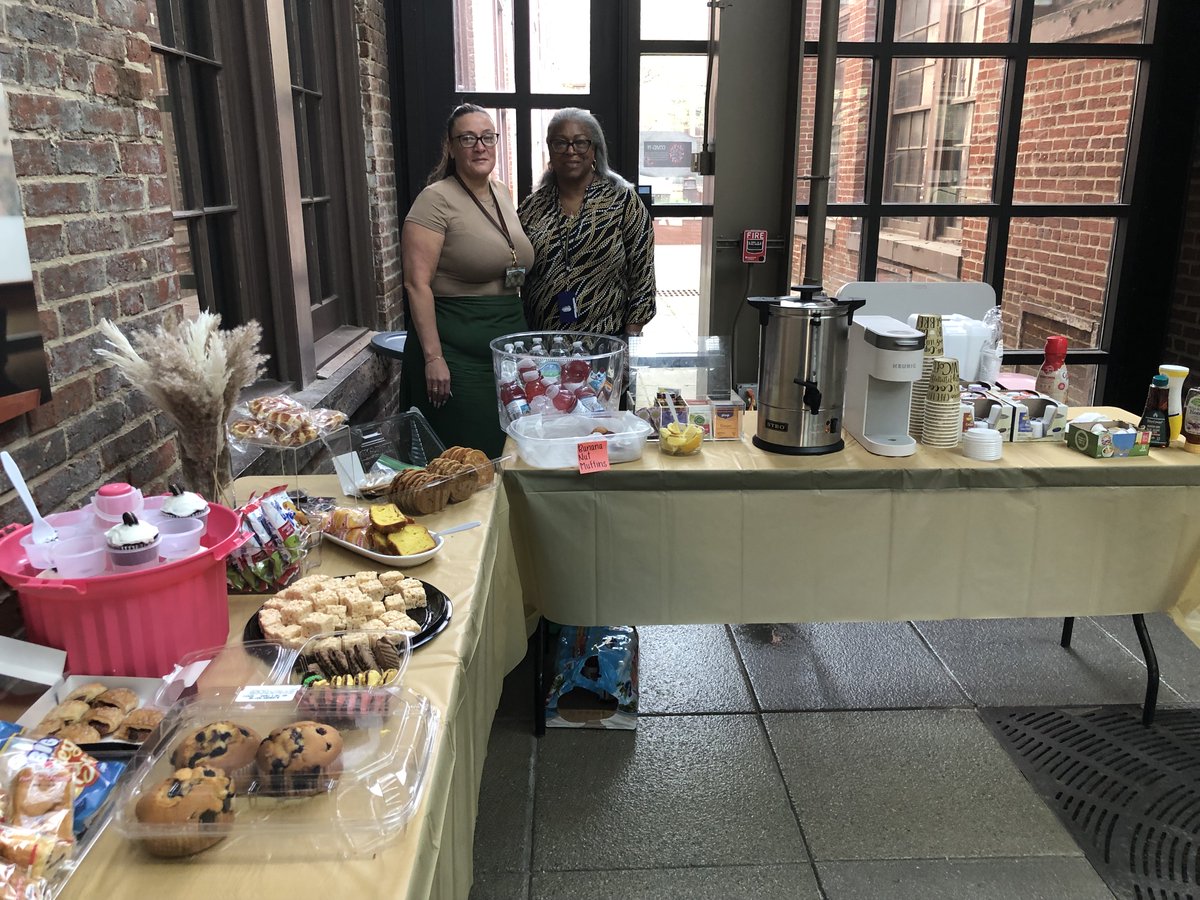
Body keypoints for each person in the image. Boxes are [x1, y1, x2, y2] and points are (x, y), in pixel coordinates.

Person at [401, 103, 534, 459]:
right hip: (456, 352)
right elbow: (417, 284)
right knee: (469, 457)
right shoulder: (435, 200)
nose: (480, 146)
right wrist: (433, 358)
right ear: (452, 146)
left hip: (504, 347)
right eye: (469, 138)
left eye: (488, 137)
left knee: (508, 449)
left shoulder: (501, 192)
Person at [518, 108, 655, 340]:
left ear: (595, 150)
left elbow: (643, 278)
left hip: (607, 344)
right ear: (550, 150)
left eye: (580, 142)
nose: (570, 151)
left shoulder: (622, 201)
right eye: (560, 143)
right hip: (544, 348)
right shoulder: (532, 207)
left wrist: (630, 341)